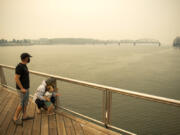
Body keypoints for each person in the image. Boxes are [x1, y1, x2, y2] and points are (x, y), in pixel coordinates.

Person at [13, 53, 34, 125]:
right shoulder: (19, 67)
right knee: (22, 103)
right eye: (28, 58)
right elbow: (16, 78)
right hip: (22, 89)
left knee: (25, 103)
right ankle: (15, 118)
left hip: (26, 88)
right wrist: (22, 88)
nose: (29, 59)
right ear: (25, 58)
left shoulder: (24, 66)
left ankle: (24, 116)